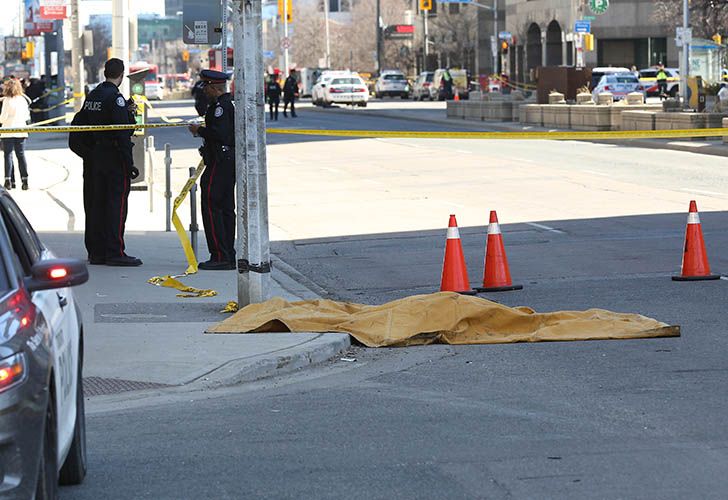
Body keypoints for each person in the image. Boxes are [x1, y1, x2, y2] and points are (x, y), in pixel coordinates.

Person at [79, 58, 142, 266]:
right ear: (121, 75)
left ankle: (96, 252)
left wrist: (89, 153)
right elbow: (123, 133)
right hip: (113, 160)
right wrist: (129, 162)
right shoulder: (116, 99)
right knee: (116, 206)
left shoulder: (92, 95)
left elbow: (79, 126)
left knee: (96, 205)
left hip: (94, 160)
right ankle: (115, 252)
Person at [188, 70, 236, 270]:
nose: (204, 90)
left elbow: (220, 134)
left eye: (206, 86)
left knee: (211, 205)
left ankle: (219, 255)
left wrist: (199, 130)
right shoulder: (220, 106)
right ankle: (227, 253)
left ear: (215, 88)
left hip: (220, 162)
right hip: (224, 161)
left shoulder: (221, 108)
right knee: (224, 208)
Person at [0, 78, 31, 190]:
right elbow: (27, 116)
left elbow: (3, 118)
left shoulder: (7, 101)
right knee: (21, 155)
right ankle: (25, 180)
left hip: (7, 131)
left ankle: (8, 180)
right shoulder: (23, 100)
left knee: (8, 155)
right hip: (21, 130)